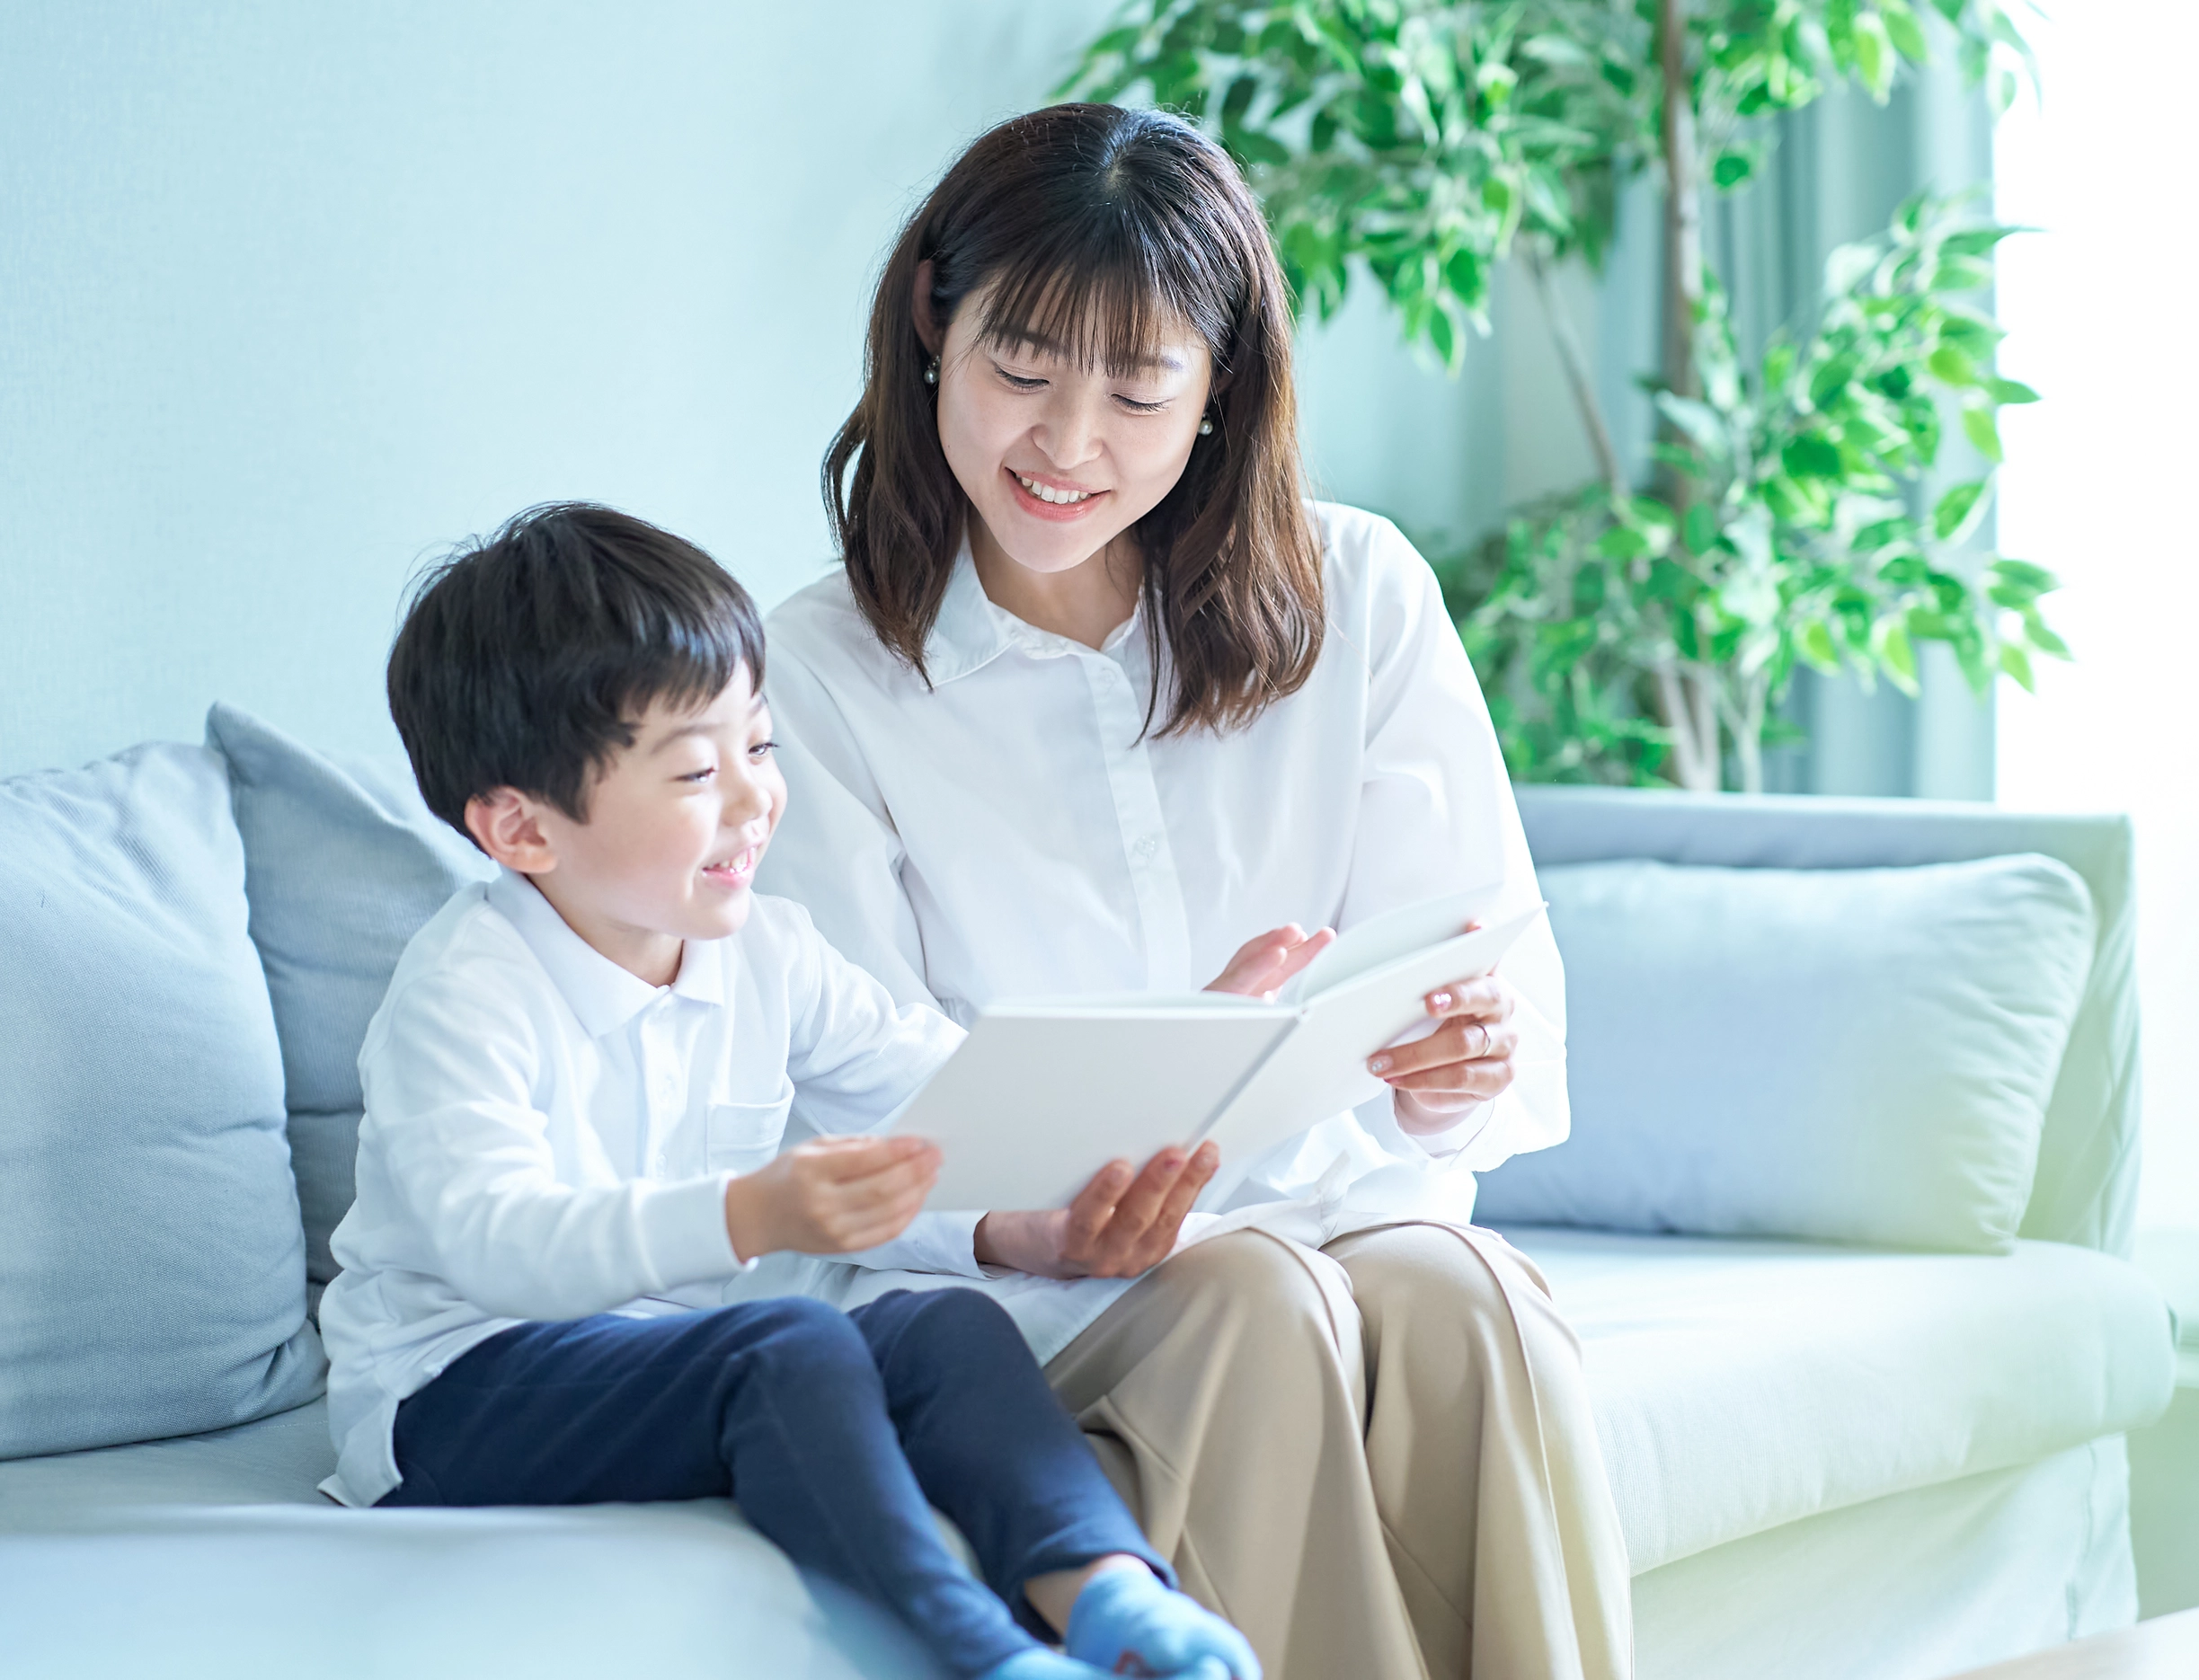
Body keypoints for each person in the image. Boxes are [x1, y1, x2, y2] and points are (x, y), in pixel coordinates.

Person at [756, 104, 1633, 1680]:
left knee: (1467, 1294)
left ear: (1219, 385)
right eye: (1021, 365)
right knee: (1251, 1289)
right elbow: (831, 1113)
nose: (1065, 442)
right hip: (1033, 1302)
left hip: (1340, 1220)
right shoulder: (826, 671)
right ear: (932, 323)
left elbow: (1484, 988)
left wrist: (1462, 1067)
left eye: (1137, 386)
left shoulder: (1356, 595)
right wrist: (1021, 1227)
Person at [317, 503, 1260, 1680]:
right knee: (790, 1341)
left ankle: (1112, 1595)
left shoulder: (768, 947)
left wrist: (1179, 1053)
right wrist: (751, 1215)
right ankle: (981, 1649)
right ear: (521, 828)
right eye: (698, 771)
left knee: (941, 1327)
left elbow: (952, 1094)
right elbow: (497, 1244)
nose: (758, 800)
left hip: (680, 1354)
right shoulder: (465, 991)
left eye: (758, 748)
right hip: (455, 1389)